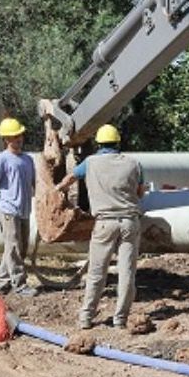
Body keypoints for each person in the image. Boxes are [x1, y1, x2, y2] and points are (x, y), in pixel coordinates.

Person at [55, 124, 146, 329]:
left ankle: (86, 318)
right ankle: (120, 320)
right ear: (117, 142)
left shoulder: (91, 162)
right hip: (130, 223)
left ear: (98, 143)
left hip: (105, 223)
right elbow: (140, 193)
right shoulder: (134, 164)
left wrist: (58, 189)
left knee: (97, 272)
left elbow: (71, 177)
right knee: (127, 272)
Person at [0, 117, 38, 296]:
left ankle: (1, 283)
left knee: (19, 248)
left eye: (20, 135)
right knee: (13, 246)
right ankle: (20, 285)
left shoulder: (28, 159)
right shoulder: (2, 160)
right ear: (7, 139)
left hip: (24, 210)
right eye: (15, 136)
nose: (19, 138)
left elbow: (34, 184)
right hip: (8, 209)